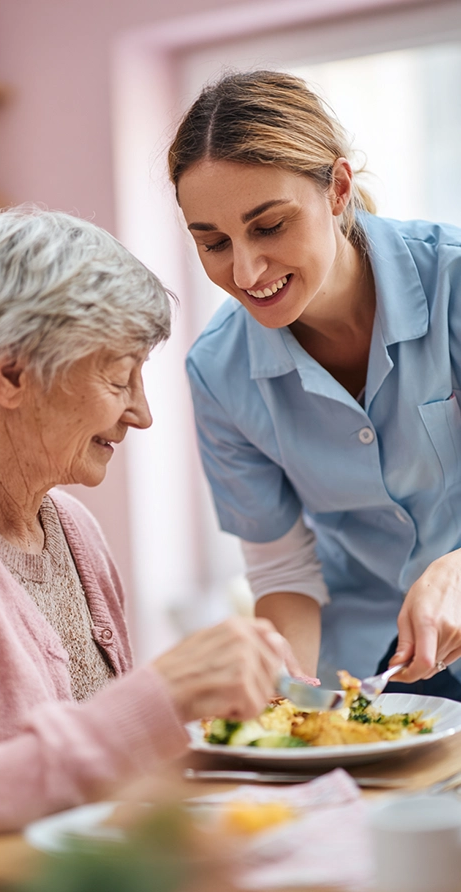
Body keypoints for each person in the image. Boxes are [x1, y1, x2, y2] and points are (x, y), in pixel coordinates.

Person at [0, 206, 286, 836]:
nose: (142, 413)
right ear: (10, 373)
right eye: (118, 376)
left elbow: (95, 768)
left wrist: (223, 708)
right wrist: (154, 702)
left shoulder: (73, 531)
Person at [168, 69, 461, 698]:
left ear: (337, 187)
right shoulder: (219, 373)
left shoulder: (454, 284)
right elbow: (284, 569)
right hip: (385, 667)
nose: (246, 271)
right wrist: (288, 692)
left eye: (269, 226)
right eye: (213, 242)